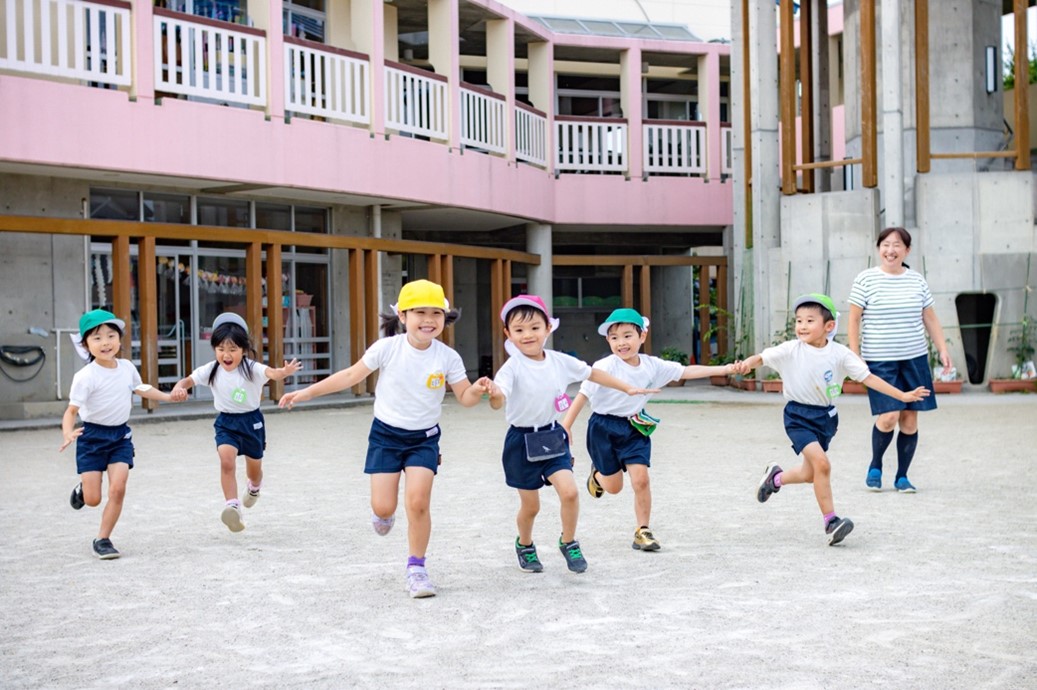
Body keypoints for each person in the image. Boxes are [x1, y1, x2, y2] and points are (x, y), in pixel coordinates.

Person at [278, 280, 493, 599]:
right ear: (403, 316)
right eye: (420, 312)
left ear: (444, 318)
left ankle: (417, 569)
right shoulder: (386, 349)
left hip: (425, 439)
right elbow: (350, 376)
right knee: (384, 505)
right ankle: (383, 513)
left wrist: (477, 390)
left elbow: (464, 397)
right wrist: (306, 392)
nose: (428, 319)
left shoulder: (448, 358)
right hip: (385, 436)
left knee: (418, 502)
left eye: (436, 313)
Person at [738, 294, 930, 546]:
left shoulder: (840, 354)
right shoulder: (790, 350)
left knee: (810, 473)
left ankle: (775, 479)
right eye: (798, 321)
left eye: (809, 320)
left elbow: (869, 378)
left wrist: (902, 395)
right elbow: (761, 357)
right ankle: (831, 522)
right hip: (797, 416)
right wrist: (746, 365)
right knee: (823, 464)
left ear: (829, 326)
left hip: (826, 419)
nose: (802, 326)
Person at [488, 296, 659, 574]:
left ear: (548, 328)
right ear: (508, 334)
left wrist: (626, 387)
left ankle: (568, 542)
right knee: (531, 507)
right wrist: (493, 395)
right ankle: (525, 544)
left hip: (552, 435)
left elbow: (593, 374)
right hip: (521, 441)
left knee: (569, 493)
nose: (528, 335)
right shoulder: (512, 368)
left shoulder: (559, 361)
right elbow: (499, 399)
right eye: (519, 330)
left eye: (534, 328)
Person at [560, 308, 738, 552]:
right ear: (608, 341)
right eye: (614, 338)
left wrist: (724, 369)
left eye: (627, 336)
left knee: (641, 480)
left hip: (634, 426)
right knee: (614, 487)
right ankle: (598, 476)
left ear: (642, 336)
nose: (621, 343)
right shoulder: (604, 366)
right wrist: (565, 426)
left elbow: (686, 371)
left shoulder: (652, 366)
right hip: (603, 428)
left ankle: (642, 531)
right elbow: (582, 396)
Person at [60, 309, 187, 559]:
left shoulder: (127, 367)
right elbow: (71, 410)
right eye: (97, 338)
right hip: (92, 437)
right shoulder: (85, 376)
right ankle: (84, 491)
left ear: (119, 340)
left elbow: (141, 388)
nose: (105, 342)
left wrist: (168, 396)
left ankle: (103, 539)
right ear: (86, 345)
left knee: (118, 489)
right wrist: (67, 433)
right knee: (94, 498)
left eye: (110, 336)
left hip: (120, 437)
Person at [171, 313, 301, 533]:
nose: (226, 355)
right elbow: (189, 379)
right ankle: (232, 506)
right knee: (226, 461)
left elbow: (272, 372)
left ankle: (254, 487)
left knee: (254, 470)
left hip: (251, 422)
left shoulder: (252, 368)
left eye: (232, 349)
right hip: (226, 422)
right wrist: (179, 386)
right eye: (221, 349)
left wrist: (284, 372)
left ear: (243, 349)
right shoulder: (211, 369)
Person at [848, 227, 951, 493]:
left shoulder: (917, 280)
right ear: (878, 248)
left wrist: (942, 349)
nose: (890, 250)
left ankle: (902, 477)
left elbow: (929, 317)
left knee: (910, 419)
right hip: (879, 361)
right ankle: (875, 465)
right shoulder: (865, 280)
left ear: (907, 250)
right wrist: (854, 355)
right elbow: (854, 318)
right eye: (885, 244)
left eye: (896, 245)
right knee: (889, 416)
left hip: (914, 359)